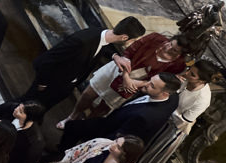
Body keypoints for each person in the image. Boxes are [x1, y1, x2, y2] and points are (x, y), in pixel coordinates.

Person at [0, 16, 145, 115]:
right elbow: (50, 60)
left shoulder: (103, 35)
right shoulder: (81, 41)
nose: (131, 43)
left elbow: (104, 46)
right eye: (132, 40)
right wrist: (42, 83)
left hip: (67, 83)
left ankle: (34, 117)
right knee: (25, 102)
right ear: (125, 37)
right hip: (50, 81)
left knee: (44, 106)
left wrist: (115, 56)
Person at [59, 32, 187, 125]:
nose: (169, 48)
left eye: (175, 50)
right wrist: (125, 75)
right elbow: (130, 51)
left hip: (135, 84)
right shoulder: (155, 38)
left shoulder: (178, 64)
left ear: (181, 54)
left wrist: (136, 83)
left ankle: (82, 126)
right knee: (89, 94)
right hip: (120, 68)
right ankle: (72, 117)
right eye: (170, 43)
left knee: (104, 108)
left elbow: (158, 80)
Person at [59, 72, 182, 149]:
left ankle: (60, 154)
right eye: (150, 80)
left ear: (165, 93)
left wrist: (95, 145)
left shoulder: (145, 117)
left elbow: (120, 136)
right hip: (112, 121)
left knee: (73, 127)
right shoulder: (173, 97)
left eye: (152, 86)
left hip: (110, 132)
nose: (145, 84)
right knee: (73, 127)